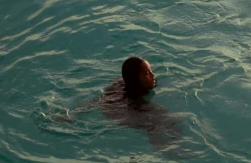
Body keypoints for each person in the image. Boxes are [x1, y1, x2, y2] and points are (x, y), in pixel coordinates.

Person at [50, 56, 182, 152]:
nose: (153, 75)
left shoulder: (122, 83)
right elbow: (98, 101)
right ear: (135, 80)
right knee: (159, 121)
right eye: (147, 73)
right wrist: (72, 114)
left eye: (151, 70)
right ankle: (169, 150)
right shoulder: (133, 103)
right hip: (124, 113)